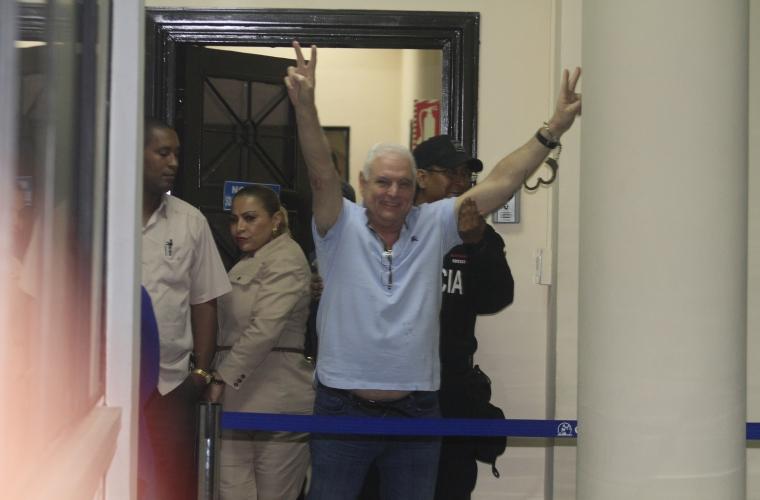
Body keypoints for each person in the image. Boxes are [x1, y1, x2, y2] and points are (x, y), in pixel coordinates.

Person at [284, 41, 581, 500]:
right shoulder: (338, 225)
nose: (393, 192)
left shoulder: (435, 223)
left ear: (416, 185)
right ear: (362, 184)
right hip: (343, 410)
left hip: (417, 411)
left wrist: (553, 129)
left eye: (403, 183)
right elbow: (320, 170)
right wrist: (306, 106)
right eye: (382, 182)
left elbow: (503, 180)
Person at [414, 135, 515, 499]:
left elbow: (498, 298)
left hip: (451, 388)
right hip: (395, 387)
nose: (460, 183)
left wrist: (477, 244)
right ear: (421, 177)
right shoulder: (395, 227)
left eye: (465, 175)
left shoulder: (478, 233)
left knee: (451, 485)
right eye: (451, 173)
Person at [141, 118, 231, 500]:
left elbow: (205, 301)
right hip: (108, 385)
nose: (174, 162)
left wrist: (200, 374)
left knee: (170, 487)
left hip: (170, 387)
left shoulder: (190, 221)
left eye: (177, 154)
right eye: (163, 153)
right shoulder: (99, 214)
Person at [207, 185, 315, 500]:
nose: (239, 227)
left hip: (276, 396)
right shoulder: (247, 261)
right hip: (236, 398)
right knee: (231, 493)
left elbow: (265, 328)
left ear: (276, 220)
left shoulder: (286, 256)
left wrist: (220, 378)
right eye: (234, 219)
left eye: (250, 218)